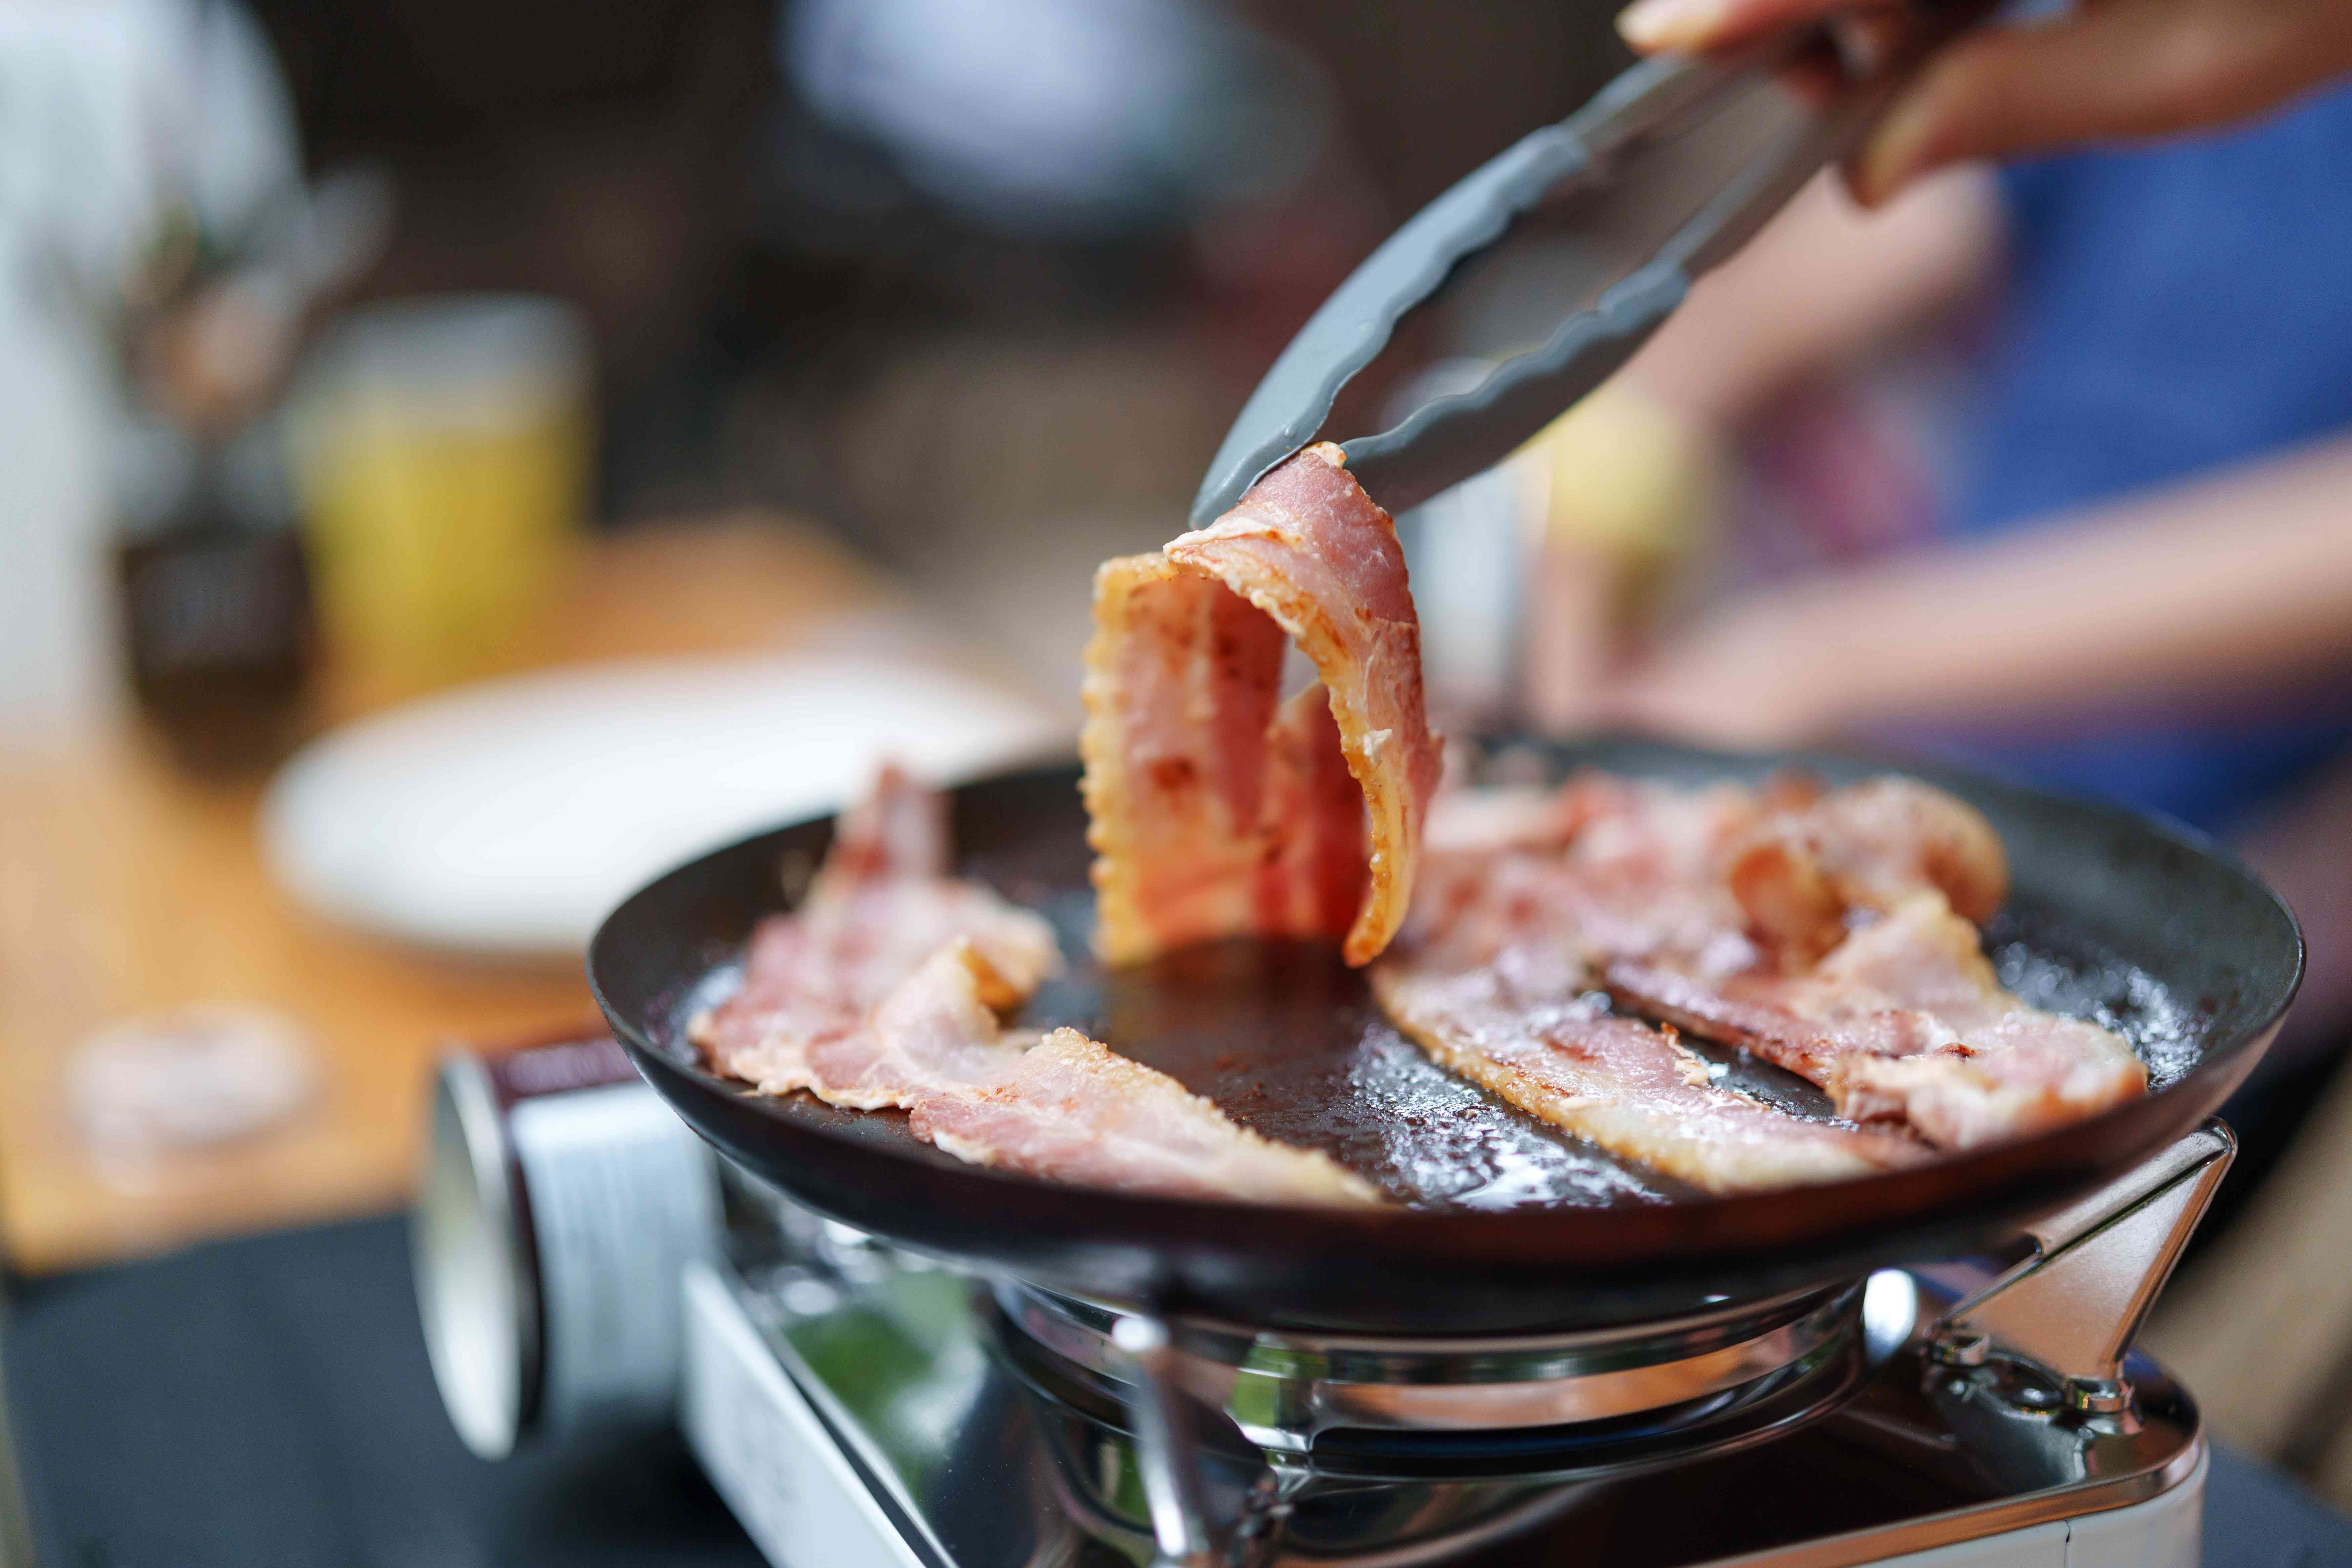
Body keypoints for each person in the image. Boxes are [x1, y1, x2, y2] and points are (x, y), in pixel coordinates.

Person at [1522, 0, 2352, 1210]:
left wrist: (1830, 655)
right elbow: (1793, 288)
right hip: (1924, 800)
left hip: (2212, 905)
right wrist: (1626, 458)